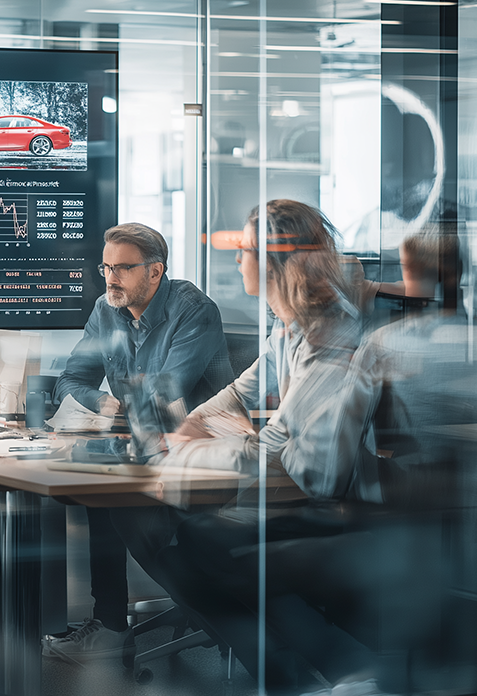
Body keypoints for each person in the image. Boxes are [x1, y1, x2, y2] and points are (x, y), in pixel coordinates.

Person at [143, 200, 380, 694]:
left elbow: (267, 452)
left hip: (325, 501)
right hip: (289, 487)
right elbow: (238, 394)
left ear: (274, 261)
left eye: (244, 249)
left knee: (199, 546)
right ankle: (313, 672)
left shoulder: (328, 335)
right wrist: (190, 427)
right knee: (181, 548)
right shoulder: (288, 326)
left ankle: (335, 669)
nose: (236, 260)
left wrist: (179, 451)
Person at [42, 222, 233, 661]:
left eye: (123, 268)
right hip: (137, 447)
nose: (110, 278)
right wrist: (109, 406)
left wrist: (122, 404)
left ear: (155, 271)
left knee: (105, 493)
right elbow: (70, 381)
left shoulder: (193, 309)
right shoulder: (105, 308)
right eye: (106, 267)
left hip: (197, 453)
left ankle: (212, 609)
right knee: (91, 484)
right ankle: (110, 624)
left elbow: (165, 392)